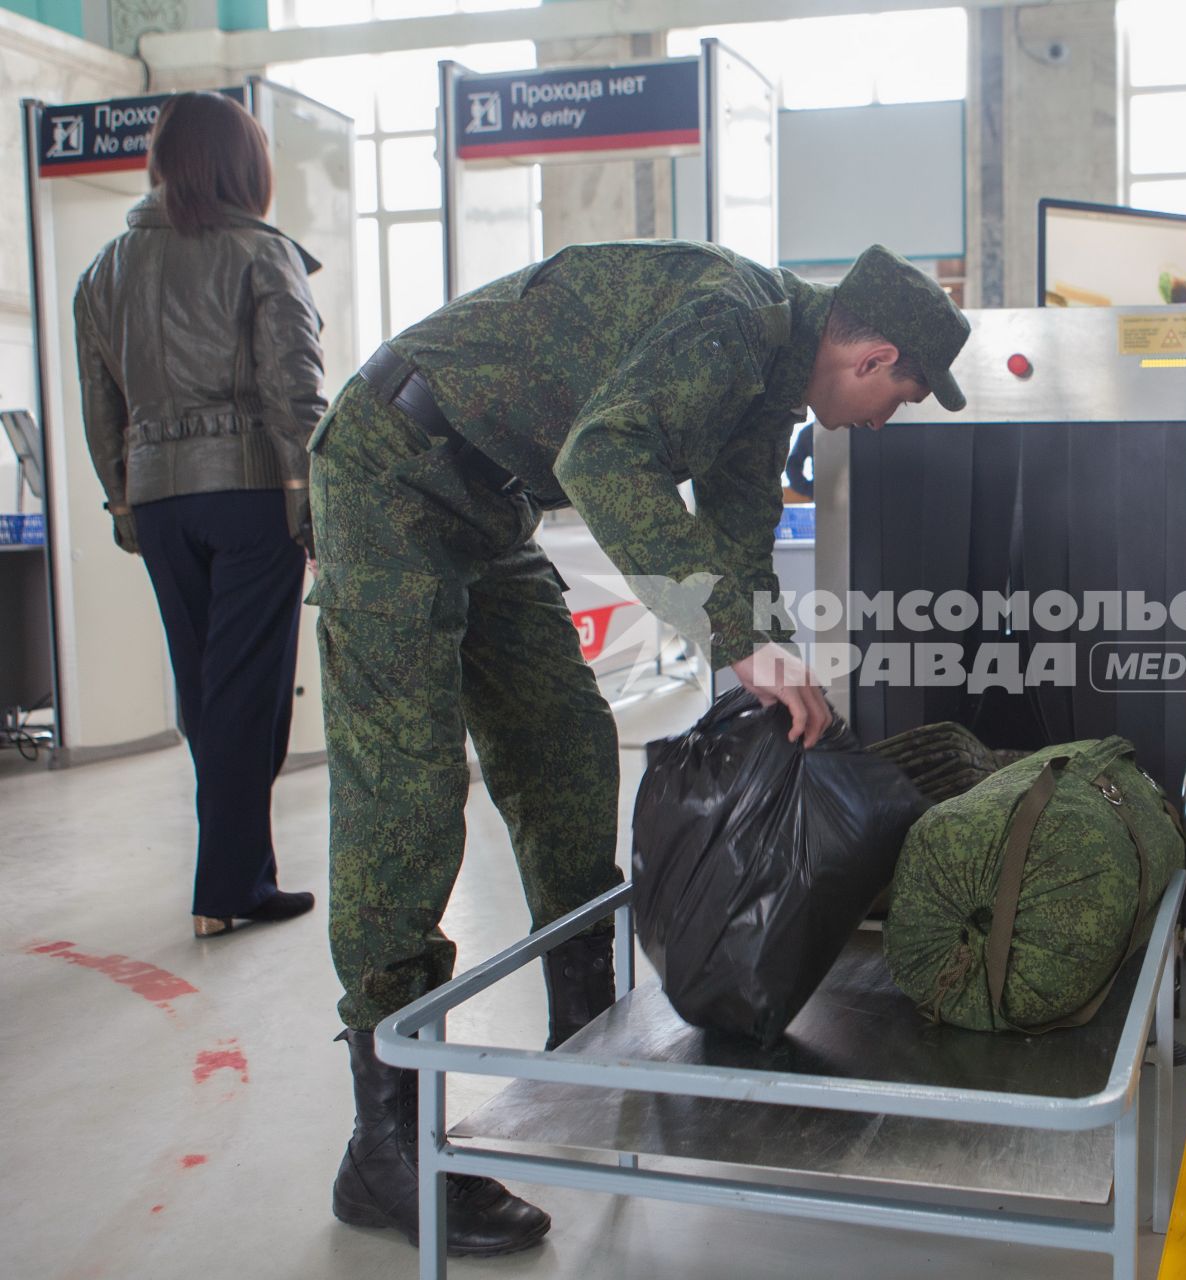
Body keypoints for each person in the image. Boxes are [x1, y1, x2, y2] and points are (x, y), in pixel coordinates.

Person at [312, 240, 970, 1255]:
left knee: (568, 743)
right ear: (873, 357)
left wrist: (777, 663)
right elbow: (602, 458)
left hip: (484, 503)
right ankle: (384, 1136)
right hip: (391, 467)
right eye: (905, 397)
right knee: (407, 785)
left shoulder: (773, 383)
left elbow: (740, 541)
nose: (888, 421)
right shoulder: (736, 319)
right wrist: (734, 641)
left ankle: (582, 1040)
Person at [74, 91, 322, 937]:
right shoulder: (262, 251)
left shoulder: (105, 269)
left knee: (205, 689)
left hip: (157, 498)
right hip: (252, 490)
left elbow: (99, 405)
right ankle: (227, 889)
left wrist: (122, 498)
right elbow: (295, 391)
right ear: (241, 168)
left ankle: (239, 872)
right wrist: (317, 502)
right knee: (250, 690)